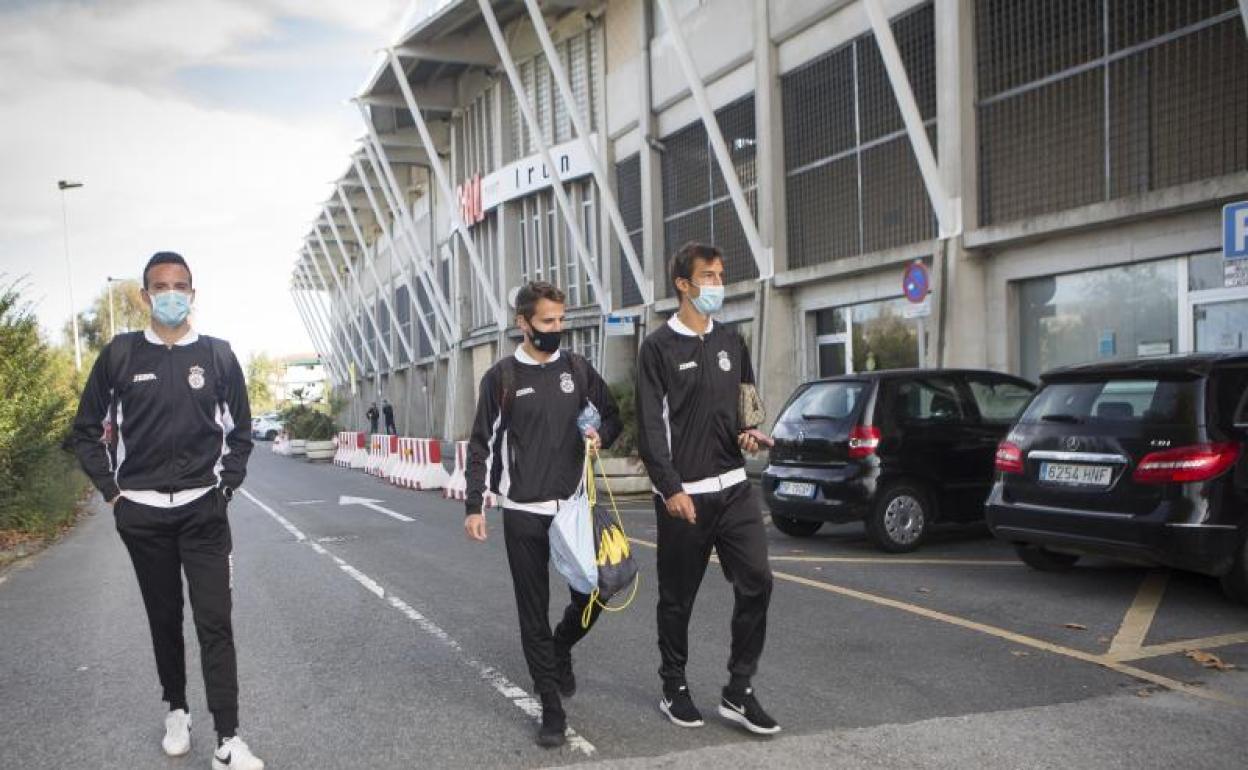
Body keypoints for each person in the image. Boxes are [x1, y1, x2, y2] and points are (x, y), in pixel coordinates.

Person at [70, 252, 266, 769]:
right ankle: (176, 709)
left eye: (181, 286)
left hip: (204, 511)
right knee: (164, 619)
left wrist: (225, 489)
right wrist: (115, 495)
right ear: (144, 296)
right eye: (161, 287)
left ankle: (228, 739)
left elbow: (241, 432)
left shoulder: (219, 357)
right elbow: (86, 431)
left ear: (193, 294)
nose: (171, 294)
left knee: (215, 622)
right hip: (143, 515)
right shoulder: (120, 357)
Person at [464, 281, 622, 748]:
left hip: (575, 508)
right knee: (532, 610)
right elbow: (481, 443)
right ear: (523, 323)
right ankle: (551, 707)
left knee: (598, 592)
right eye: (548, 321)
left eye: (561, 320)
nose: (557, 329)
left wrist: (601, 437)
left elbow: (611, 415)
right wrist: (476, 504)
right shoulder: (502, 379)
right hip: (523, 512)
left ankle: (561, 646)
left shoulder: (578, 368)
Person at [635, 242, 780, 736]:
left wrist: (750, 433)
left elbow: (747, 410)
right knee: (677, 599)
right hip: (685, 495)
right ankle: (673, 685)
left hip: (735, 488)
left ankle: (738, 690)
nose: (718, 284)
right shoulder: (656, 349)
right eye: (709, 277)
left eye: (721, 276)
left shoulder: (732, 342)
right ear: (683, 284)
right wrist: (669, 487)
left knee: (758, 580)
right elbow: (652, 429)